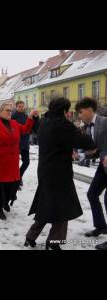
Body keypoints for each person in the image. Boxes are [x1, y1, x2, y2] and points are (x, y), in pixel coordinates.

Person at [25, 97, 95, 250]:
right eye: (68, 110)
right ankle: (54, 242)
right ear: (64, 111)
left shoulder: (45, 122)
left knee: (47, 205)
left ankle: (31, 236)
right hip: (59, 174)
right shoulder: (63, 125)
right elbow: (83, 142)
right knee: (64, 209)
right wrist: (91, 138)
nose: (69, 114)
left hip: (45, 171)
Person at [0, 103, 38, 220]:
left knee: (12, 185)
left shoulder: (14, 123)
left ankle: (6, 202)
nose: (9, 112)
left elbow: (25, 129)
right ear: (0, 112)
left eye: (10, 110)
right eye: (7, 110)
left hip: (12, 162)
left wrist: (30, 117)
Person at [74, 97, 107, 246]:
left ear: (88, 110)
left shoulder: (104, 121)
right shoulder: (88, 127)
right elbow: (97, 150)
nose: (79, 116)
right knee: (92, 194)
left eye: (80, 112)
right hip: (103, 167)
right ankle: (101, 227)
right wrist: (80, 155)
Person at [12, 101, 39, 189]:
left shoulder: (27, 116)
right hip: (15, 143)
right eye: (19, 106)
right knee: (15, 163)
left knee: (26, 162)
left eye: (22, 106)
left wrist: (36, 117)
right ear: (16, 107)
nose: (21, 108)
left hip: (25, 142)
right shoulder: (13, 117)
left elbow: (34, 128)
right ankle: (16, 181)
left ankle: (19, 176)